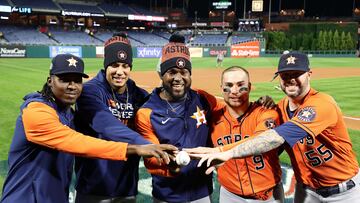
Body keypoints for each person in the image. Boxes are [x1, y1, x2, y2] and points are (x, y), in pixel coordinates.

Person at [0, 54, 177, 203]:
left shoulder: (68, 113)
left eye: (77, 81)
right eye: (64, 80)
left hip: (54, 196)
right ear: (50, 80)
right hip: (24, 198)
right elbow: (75, 141)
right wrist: (134, 147)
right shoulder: (37, 111)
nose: (72, 86)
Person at [188, 51, 360, 203]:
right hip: (306, 189)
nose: (291, 79)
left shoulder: (321, 104)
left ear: (309, 74)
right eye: (285, 75)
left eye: (297, 73)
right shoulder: (279, 109)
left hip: (344, 191)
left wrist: (223, 152)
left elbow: (273, 138)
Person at [135, 38, 224, 203]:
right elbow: (150, 157)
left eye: (183, 73)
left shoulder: (203, 98)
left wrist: (260, 103)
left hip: (201, 191)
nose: (178, 78)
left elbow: (229, 113)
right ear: (162, 74)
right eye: (172, 72)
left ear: (189, 75)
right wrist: (170, 166)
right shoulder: (147, 112)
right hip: (167, 195)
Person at [74, 33, 153, 203]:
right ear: (106, 66)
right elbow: (105, 125)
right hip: (94, 185)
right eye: (114, 65)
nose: (120, 72)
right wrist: (146, 145)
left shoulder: (139, 95)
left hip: (126, 185)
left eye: (125, 66)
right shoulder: (89, 91)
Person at [199, 66, 284, 202]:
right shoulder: (213, 118)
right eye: (229, 85)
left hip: (269, 196)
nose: (235, 91)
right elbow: (189, 93)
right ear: (221, 88)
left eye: (241, 85)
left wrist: (220, 151)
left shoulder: (267, 113)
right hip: (229, 195)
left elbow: (262, 140)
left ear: (249, 87)